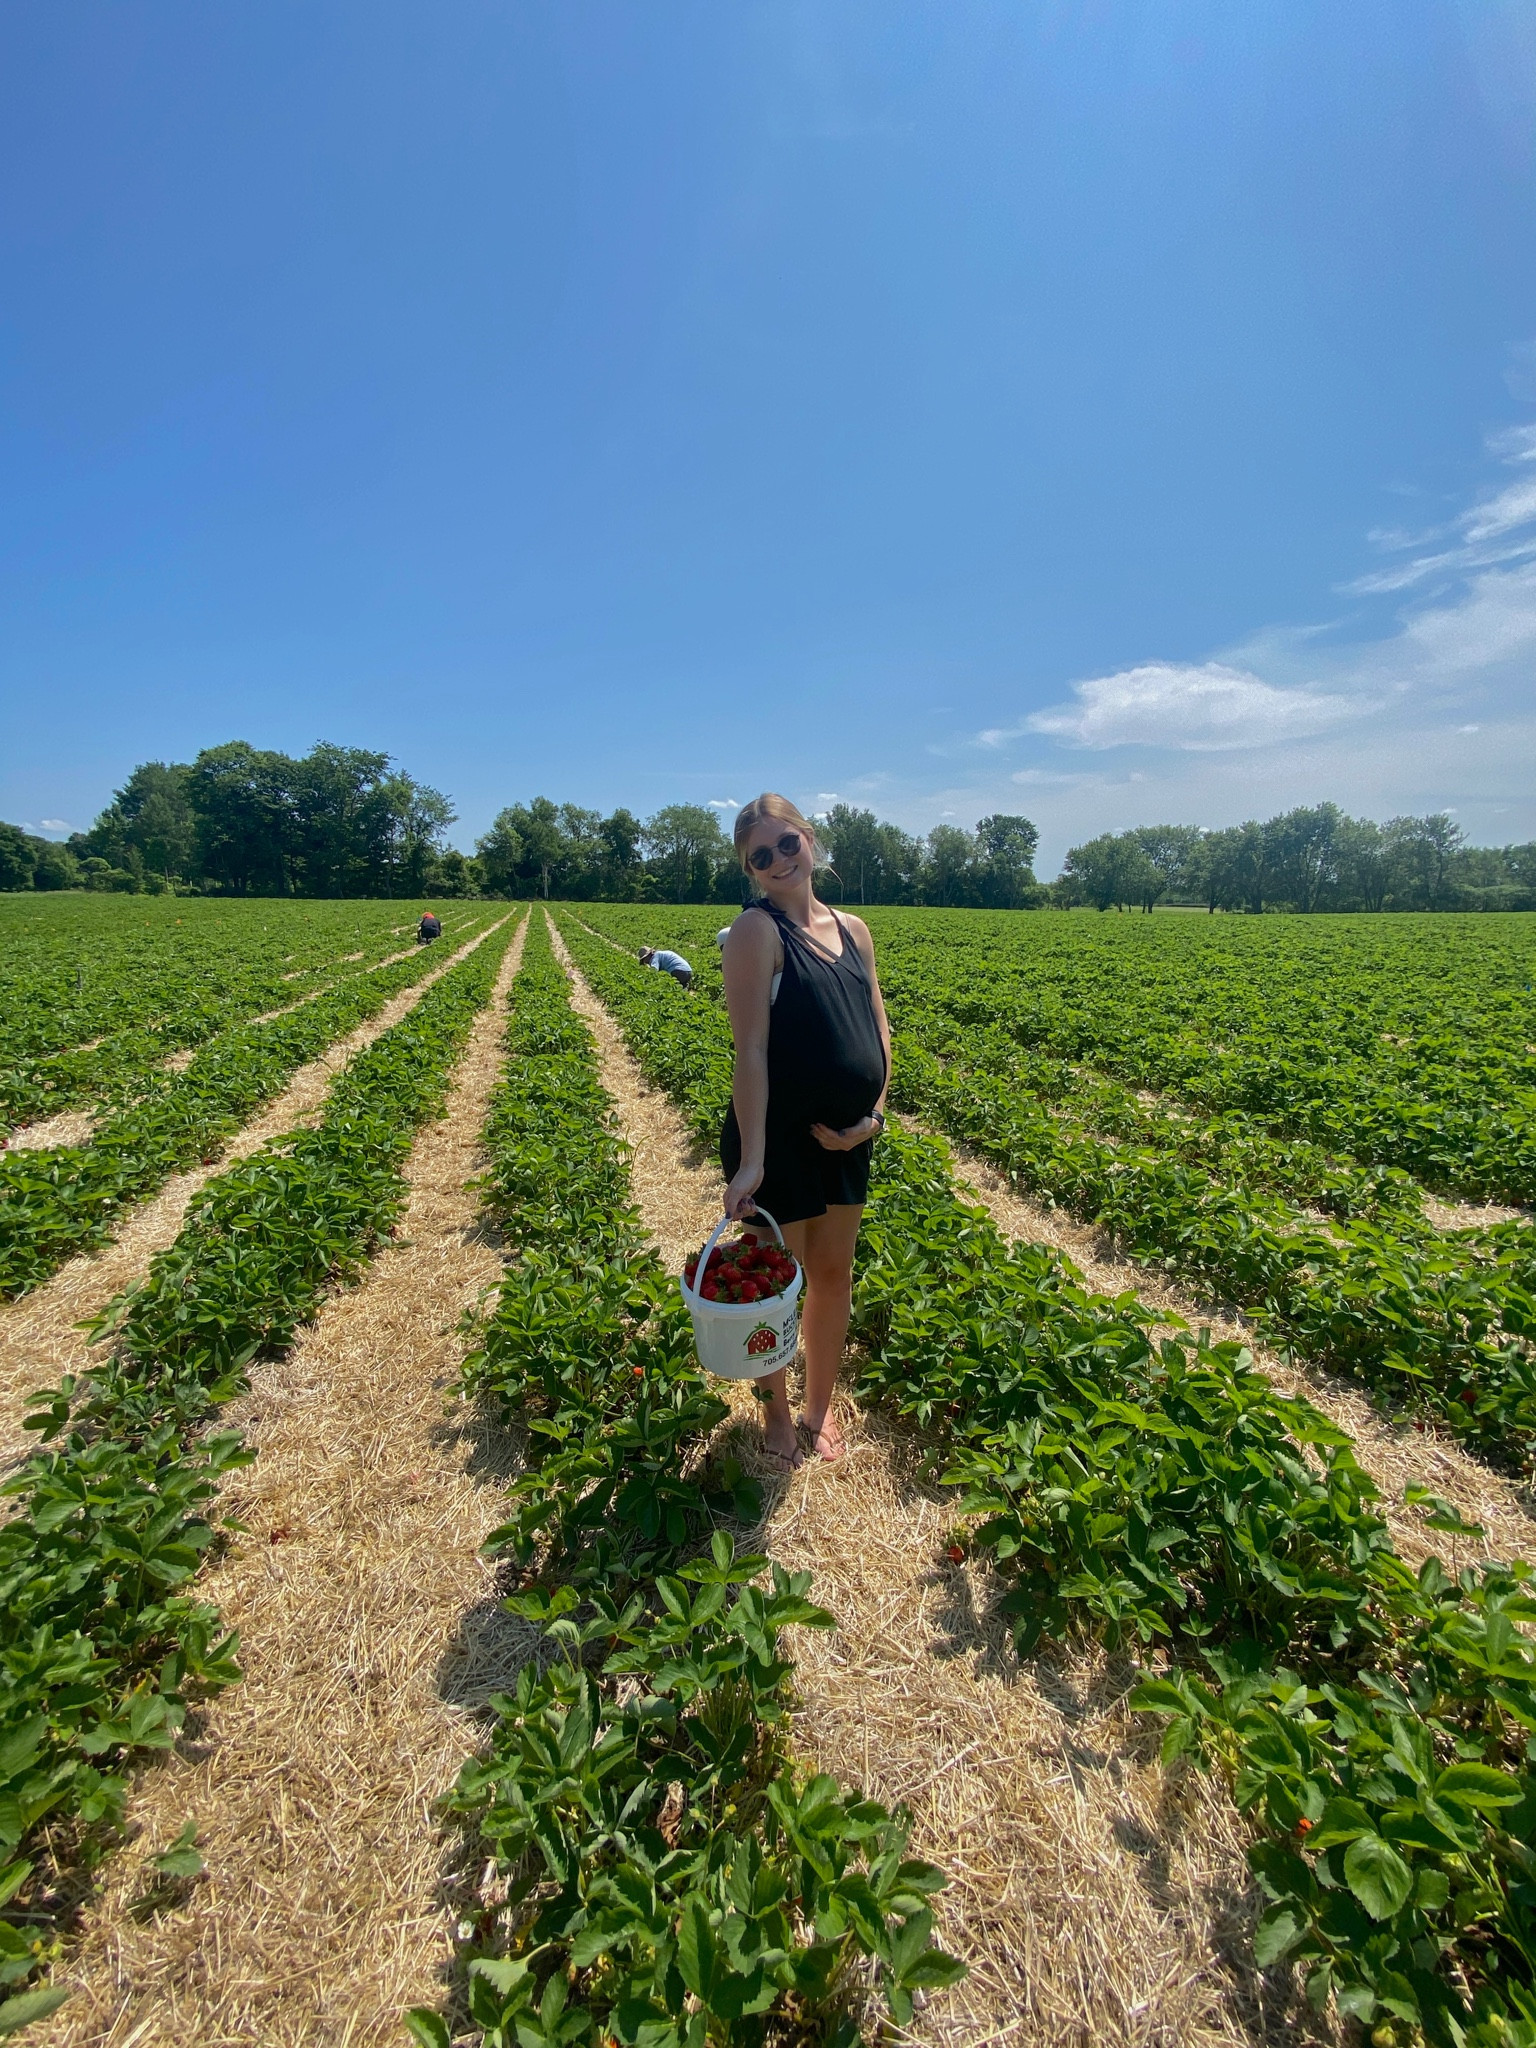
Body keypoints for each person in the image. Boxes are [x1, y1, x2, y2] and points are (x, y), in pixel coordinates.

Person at [719, 793, 890, 1469]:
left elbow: (880, 1028)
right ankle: (778, 1415)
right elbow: (751, 1050)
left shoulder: (855, 929)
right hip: (781, 1137)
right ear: (752, 872)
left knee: (832, 1275)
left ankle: (819, 1409)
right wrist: (752, 1158)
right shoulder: (757, 932)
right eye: (761, 857)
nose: (778, 861)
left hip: (850, 1137)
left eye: (785, 843)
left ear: (809, 839)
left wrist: (871, 1119)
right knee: (774, 1283)